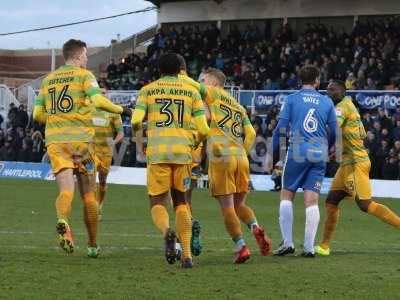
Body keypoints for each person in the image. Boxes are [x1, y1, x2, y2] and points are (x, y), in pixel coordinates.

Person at [33, 39, 130, 258]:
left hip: (56, 143)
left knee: (66, 190)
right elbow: (98, 101)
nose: (86, 59)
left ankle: (62, 220)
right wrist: (123, 110)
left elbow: (37, 115)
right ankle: (93, 244)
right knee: (88, 197)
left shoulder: (48, 80)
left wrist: (58, 117)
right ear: (78, 56)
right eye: (85, 55)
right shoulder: (85, 76)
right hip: (81, 143)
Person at [131, 53, 209, 268]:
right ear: (180, 71)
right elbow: (204, 129)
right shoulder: (192, 92)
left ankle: (167, 232)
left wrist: (141, 142)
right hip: (183, 153)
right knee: (181, 202)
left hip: (157, 153)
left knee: (157, 202)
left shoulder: (148, 90)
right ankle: (187, 256)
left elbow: (136, 120)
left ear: (159, 70)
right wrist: (194, 142)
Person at [315, 81, 400, 256]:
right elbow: (351, 135)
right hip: (347, 163)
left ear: (342, 91)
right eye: (327, 89)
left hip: (356, 163)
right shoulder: (348, 106)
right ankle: (324, 246)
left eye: (332, 89)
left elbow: (332, 129)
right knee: (331, 201)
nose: (328, 92)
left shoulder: (342, 107)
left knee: (364, 204)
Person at [204, 68, 272, 264]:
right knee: (238, 204)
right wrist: (241, 150)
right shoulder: (238, 106)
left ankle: (241, 246)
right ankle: (255, 228)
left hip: (221, 155)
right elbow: (250, 134)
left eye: (204, 80)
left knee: (227, 208)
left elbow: (205, 117)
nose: (202, 84)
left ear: (214, 82)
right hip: (241, 157)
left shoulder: (211, 93)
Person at [272, 66, 337, 257]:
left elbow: (280, 129)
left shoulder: (292, 99)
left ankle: (288, 243)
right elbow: (334, 131)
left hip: (297, 151)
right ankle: (309, 247)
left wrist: (275, 154)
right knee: (312, 201)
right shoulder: (327, 101)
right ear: (317, 80)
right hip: (319, 153)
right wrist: (327, 147)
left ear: (301, 80)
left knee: (287, 195)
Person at [176, 54, 208, 258]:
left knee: (176, 200)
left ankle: (181, 243)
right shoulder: (198, 90)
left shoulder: (168, 85)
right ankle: (190, 225)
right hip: (195, 151)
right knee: (186, 197)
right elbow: (207, 122)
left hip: (176, 146)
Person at [92, 90, 124, 221]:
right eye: (100, 92)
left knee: (103, 181)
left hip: (106, 152)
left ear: (108, 95)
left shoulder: (114, 112)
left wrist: (114, 142)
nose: (102, 94)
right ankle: (93, 209)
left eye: (104, 92)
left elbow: (121, 133)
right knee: (91, 179)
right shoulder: (90, 109)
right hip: (91, 151)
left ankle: (99, 205)